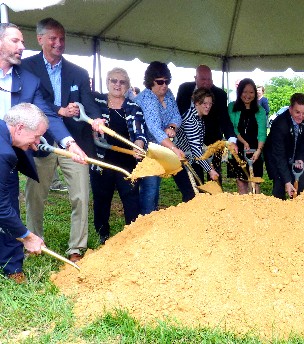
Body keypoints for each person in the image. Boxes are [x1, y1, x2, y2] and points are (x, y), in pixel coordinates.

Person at [21, 18, 103, 263]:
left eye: (62, 38)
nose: (59, 43)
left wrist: (97, 119)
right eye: (53, 39)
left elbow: (89, 103)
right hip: (40, 141)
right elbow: (33, 102)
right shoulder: (26, 67)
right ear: (40, 39)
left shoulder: (78, 72)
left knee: (80, 195)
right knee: (35, 195)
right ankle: (33, 241)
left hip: (76, 141)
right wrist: (60, 110)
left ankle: (76, 248)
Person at [91, 68, 147, 244]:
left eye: (122, 82)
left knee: (131, 197)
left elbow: (140, 133)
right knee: (101, 197)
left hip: (126, 161)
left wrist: (139, 145)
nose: (117, 84)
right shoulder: (97, 102)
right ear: (107, 82)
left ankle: (133, 233)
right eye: (113, 80)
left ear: (128, 86)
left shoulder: (133, 108)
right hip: (102, 159)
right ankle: (102, 233)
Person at [0, 103, 49, 283]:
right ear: (20, 128)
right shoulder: (4, 153)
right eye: (36, 136)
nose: (37, 143)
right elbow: (1, 207)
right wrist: (27, 237)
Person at [135, 61, 185, 215]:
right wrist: (174, 148)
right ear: (151, 81)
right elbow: (154, 128)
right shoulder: (148, 98)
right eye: (160, 82)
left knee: (155, 186)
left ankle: (152, 217)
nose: (164, 85)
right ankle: (145, 221)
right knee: (150, 187)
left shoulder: (168, 94)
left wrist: (171, 127)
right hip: (146, 148)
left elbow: (177, 116)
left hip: (161, 147)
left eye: (167, 81)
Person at [176, 65, 237, 183]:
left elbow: (225, 120)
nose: (206, 82)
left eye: (209, 79)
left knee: (214, 181)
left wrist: (232, 140)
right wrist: (209, 169)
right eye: (203, 79)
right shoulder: (184, 90)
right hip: (188, 149)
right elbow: (177, 113)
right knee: (196, 183)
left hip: (212, 141)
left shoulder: (220, 95)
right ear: (195, 78)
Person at [173, 88, 219, 202]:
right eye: (205, 103)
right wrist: (210, 170)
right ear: (196, 103)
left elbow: (198, 145)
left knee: (199, 192)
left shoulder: (199, 118)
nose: (208, 106)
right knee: (191, 196)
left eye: (210, 103)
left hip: (192, 161)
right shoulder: (190, 120)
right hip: (180, 163)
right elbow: (195, 150)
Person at [264, 93, 304, 199]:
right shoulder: (279, 124)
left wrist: (299, 157)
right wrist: (287, 181)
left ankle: (299, 211)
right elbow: (279, 155)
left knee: (302, 183)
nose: (301, 116)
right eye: (297, 112)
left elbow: (303, 141)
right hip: (276, 157)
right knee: (280, 185)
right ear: (290, 109)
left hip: (293, 155)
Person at [227, 78, 266, 194]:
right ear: (239, 92)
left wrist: (259, 150)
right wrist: (243, 142)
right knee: (241, 181)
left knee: (254, 181)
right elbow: (232, 128)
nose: (248, 95)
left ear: (255, 93)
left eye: (251, 92)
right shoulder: (232, 107)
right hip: (237, 147)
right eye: (244, 92)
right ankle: (243, 208)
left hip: (255, 149)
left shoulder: (260, 110)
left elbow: (262, 132)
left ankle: (255, 208)